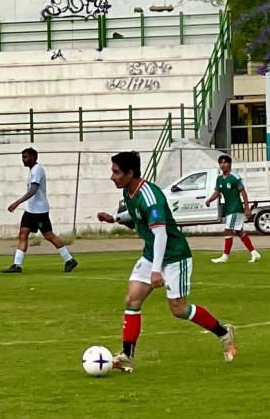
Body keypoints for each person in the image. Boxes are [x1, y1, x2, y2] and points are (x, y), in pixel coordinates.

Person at [96, 151, 237, 372]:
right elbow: (137, 214)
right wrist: (114, 218)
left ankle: (223, 332)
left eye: (116, 172)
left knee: (179, 309)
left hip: (174, 255)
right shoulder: (129, 190)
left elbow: (160, 234)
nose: (112, 176)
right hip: (151, 253)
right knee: (132, 300)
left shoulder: (150, 196)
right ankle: (127, 356)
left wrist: (155, 271)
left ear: (130, 173)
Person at [3, 148, 77, 273]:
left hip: (39, 212)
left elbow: (33, 190)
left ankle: (69, 260)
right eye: (22, 157)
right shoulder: (32, 170)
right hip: (30, 210)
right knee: (23, 234)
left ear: (33, 157)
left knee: (48, 235)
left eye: (25, 157)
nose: (23, 159)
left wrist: (17, 202)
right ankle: (17, 265)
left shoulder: (37, 169)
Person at [205, 154, 260, 264]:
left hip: (236, 208)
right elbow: (217, 192)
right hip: (229, 209)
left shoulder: (235, 176)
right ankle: (254, 253)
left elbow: (243, 192)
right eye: (221, 163)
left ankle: (225, 257)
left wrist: (247, 208)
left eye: (225, 162)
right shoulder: (219, 179)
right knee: (239, 232)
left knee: (227, 230)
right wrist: (209, 200)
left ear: (230, 164)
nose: (223, 165)